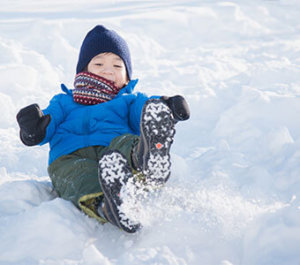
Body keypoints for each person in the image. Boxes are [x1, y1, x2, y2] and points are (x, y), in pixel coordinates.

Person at [16, 25, 190, 233]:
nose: (109, 70)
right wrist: (33, 128)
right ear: (83, 70)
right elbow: (48, 123)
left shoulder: (128, 100)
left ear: (126, 76)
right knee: (80, 176)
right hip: (69, 157)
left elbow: (144, 110)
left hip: (114, 151)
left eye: (117, 66)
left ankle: (147, 159)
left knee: (126, 143)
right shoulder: (64, 101)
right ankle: (109, 206)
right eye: (99, 63)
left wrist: (166, 107)